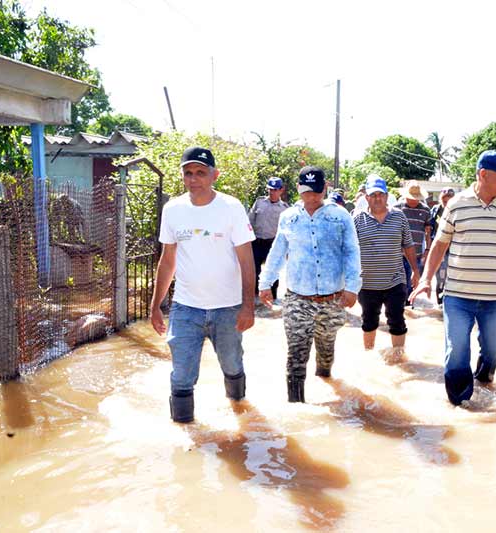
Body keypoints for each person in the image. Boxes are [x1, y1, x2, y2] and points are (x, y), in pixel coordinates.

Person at [410, 150, 496, 406]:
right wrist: (426, 279)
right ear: (483, 175)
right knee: (457, 351)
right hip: (458, 296)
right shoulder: (456, 204)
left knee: (494, 348)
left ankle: (484, 378)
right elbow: (439, 244)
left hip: (494, 298)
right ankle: (460, 406)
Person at [150, 146, 256, 423]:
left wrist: (248, 306)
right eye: (188, 173)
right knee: (181, 376)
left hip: (227, 308)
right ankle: (184, 433)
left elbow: (246, 260)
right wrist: (156, 305)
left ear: (214, 175)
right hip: (186, 308)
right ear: (182, 176)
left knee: (232, 366)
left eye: (200, 172)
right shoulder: (173, 210)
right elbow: (168, 260)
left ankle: (242, 414)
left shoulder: (231, 208)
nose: (194, 178)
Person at [259, 166, 361, 403]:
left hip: (332, 299)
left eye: (316, 191)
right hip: (297, 299)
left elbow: (351, 251)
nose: (311, 197)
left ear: (325, 188)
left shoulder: (340, 216)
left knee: (325, 352)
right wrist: (265, 283)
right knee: (296, 355)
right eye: (306, 191)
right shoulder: (289, 217)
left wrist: (352, 287)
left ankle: (326, 383)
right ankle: (296, 408)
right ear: (297, 188)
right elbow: (277, 252)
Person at [352, 174, 418, 351]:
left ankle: (399, 359)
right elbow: (350, 252)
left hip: (395, 282)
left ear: (387, 196)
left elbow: (408, 245)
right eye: (373, 195)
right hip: (367, 283)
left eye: (381, 194)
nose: (377, 198)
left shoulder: (399, 217)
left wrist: (416, 271)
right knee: (369, 321)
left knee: (397, 320)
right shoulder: (357, 220)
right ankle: (369, 355)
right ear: (367, 198)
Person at [249, 177, 288, 300]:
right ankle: (256, 297)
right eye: (270, 189)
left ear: (281, 190)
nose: (272, 192)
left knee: (273, 270)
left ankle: (273, 297)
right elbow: (250, 221)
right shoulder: (259, 202)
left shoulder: (284, 208)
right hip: (257, 242)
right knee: (254, 270)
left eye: (275, 190)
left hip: (272, 243)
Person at [396, 180, 432, 305]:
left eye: (416, 198)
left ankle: (409, 308)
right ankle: (401, 308)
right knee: (400, 285)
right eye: (411, 198)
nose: (414, 201)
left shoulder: (425, 210)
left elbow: (428, 232)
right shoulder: (397, 208)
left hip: (417, 254)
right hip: (399, 254)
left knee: (413, 283)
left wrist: (427, 250)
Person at [430, 187, 455, 304]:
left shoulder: (456, 210)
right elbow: (430, 227)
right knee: (440, 277)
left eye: (449, 200)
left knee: (453, 277)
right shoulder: (436, 210)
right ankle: (440, 302)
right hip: (440, 248)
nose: (446, 203)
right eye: (444, 200)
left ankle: (450, 302)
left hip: (453, 248)